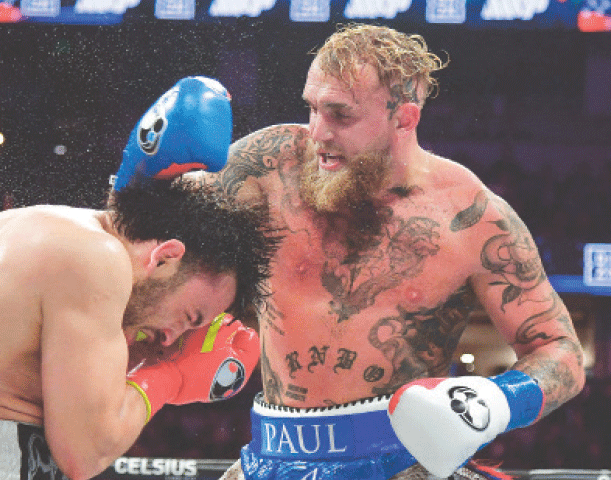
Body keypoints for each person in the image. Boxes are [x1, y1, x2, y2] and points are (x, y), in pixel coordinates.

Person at [181, 23, 585, 480]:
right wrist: (149, 174)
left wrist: (494, 402)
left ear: (404, 119)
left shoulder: (470, 216)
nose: (317, 133)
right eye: (312, 108)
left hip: (403, 466)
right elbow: (158, 231)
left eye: (340, 115)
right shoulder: (271, 166)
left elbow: (560, 351)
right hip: (270, 459)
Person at [0, 78, 277, 480]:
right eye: (189, 316)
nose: (171, 339)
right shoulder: (97, 259)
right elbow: (86, 452)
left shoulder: (62, 236)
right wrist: (172, 375)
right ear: (166, 257)